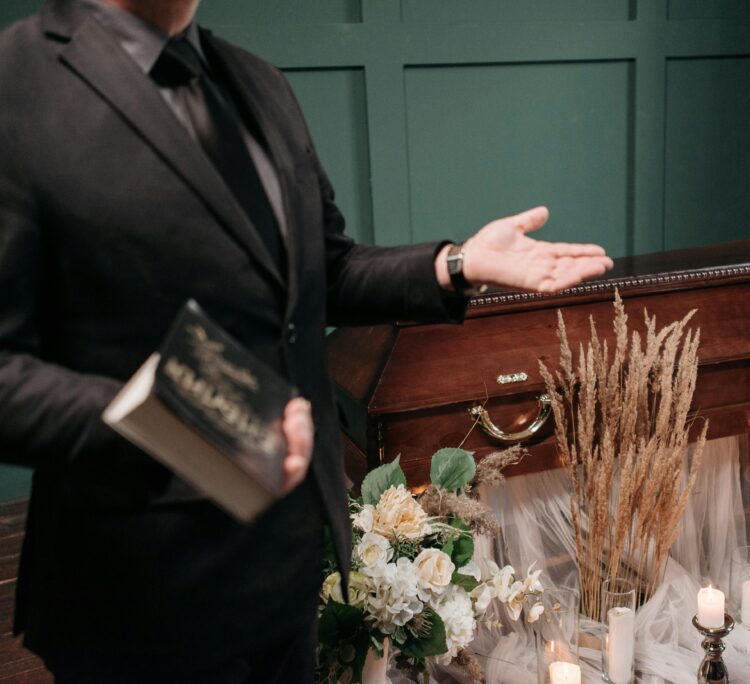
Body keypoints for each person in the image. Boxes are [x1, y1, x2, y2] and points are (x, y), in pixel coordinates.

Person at [0, 0, 613, 681]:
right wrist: (194, 420)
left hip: (287, 567)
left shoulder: (256, 81)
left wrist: (457, 264)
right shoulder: (16, 81)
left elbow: (329, 267)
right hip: (135, 591)